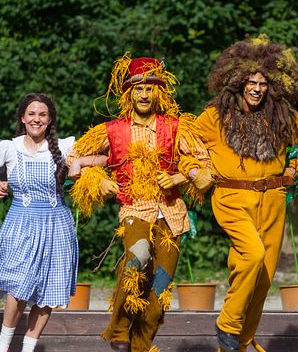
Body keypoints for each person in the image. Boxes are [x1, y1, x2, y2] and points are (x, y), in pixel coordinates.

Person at [68, 53, 212, 352]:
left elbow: (204, 165)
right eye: (138, 88)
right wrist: (100, 181)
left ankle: (140, 345)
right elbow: (74, 158)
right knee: (137, 259)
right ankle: (119, 329)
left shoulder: (176, 127)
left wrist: (179, 179)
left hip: (172, 214)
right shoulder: (112, 130)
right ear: (129, 94)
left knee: (159, 289)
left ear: (157, 92)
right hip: (135, 209)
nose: (144, 94)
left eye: (149, 88)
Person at [195, 34, 298, 352]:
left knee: (264, 276)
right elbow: (186, 141)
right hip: (231, 197)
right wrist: (198, 167)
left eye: (263, 83)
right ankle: (227, 324)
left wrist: (297, 169)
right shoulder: (214, 116)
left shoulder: (280, 115)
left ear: (272, 86)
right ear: (237, 82)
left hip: (272, 201)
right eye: (250, 82)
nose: (256, 88)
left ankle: (240, 343)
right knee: (251, 255)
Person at [0, 93, 105, 352]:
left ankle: (29, 347)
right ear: (22, 118)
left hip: (57, 223)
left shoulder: (65, 147)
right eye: (31, 114)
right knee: (17, 283)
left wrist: (79, 161)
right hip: (21, 223)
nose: (37, 119)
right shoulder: (9, 148)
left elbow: (105, 156)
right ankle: (3, 344)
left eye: (42, 115)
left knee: (50, 287)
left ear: (50, 119)